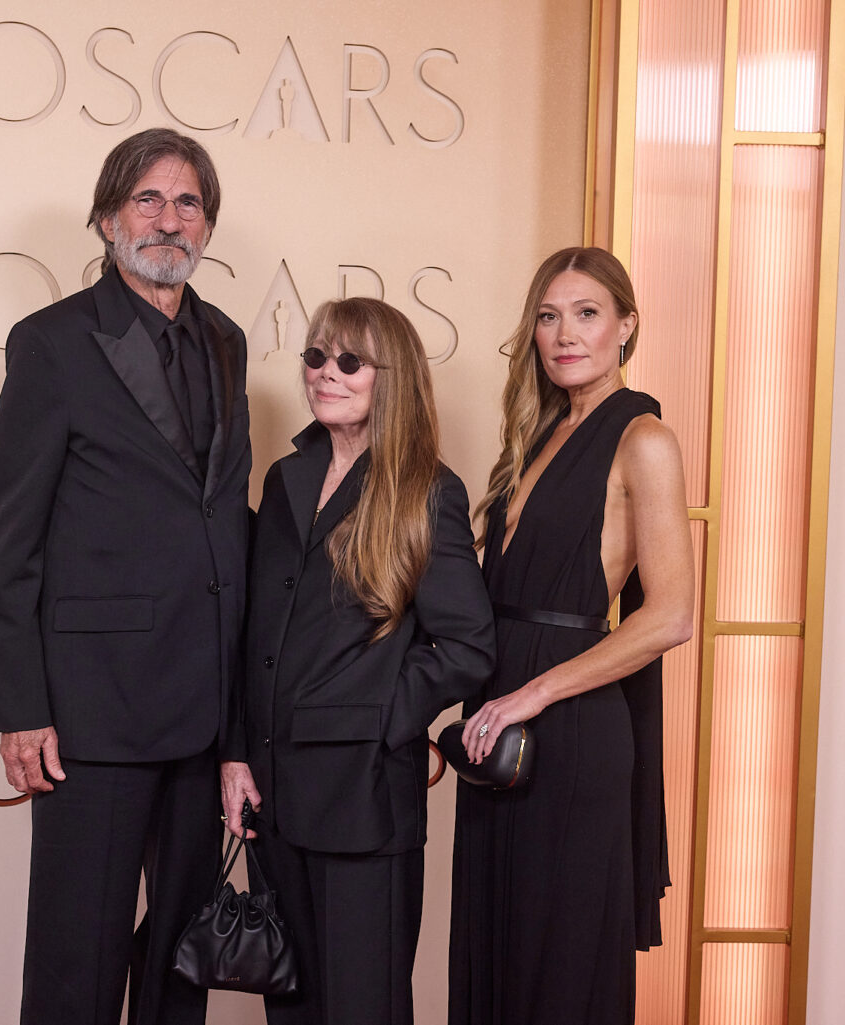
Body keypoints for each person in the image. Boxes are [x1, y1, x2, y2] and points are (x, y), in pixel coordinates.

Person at [0, 127, 252, 1025]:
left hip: (201, 710)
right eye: (148, 199)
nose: (168, 220)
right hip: (91, 715)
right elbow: (12, 537)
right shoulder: (52, 343)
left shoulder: (227, 341)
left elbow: (222, 520)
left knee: (183, 959)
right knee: (77, 960)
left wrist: (242, 722)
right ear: (106, 219)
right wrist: (21, 706)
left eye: (187, 204)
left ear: (207, 226)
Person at [220, 297, 496, 1025]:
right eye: (315, 356)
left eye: (349, 360)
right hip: (271, 797)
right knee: (294, 1008)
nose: (325, 373)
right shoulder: (284, 480)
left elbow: (469, 645)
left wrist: (377, 717)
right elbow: (257, 635)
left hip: (365, 800)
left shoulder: (427, 491)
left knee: (361, 1008)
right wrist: (238, 752)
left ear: (391, 377)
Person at [448, 248, 694, 1025]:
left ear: (626, 325)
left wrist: (532, 694)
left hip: (572, 725)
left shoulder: (643, 437)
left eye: (587, 313)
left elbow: (671, 614)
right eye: (549, 316)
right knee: (497, 949)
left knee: (557, 963)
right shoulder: (539, 432)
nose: (565, 334)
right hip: (502, 722)